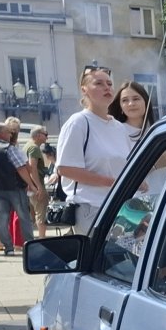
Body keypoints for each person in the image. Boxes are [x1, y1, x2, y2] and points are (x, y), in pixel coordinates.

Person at [55, 65, 136, 234]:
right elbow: (65, 168)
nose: (107, 87)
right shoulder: (78, 122)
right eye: (99, 83)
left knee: (127, 259)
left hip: (123, 210)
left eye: (109, 83)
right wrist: (113, 183)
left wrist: (136, 180)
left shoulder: (119, 128)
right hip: (91, 209)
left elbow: (127, 165)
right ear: (84, 90)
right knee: (101, 259)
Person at [0, 122, 35, 254]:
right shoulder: (9, 148)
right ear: (0, 134)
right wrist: (31, 184)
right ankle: (30, 245)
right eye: (8, 132)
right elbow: (21, 168)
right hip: (15, 188)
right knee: (24, 217)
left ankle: (8, 247)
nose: (11, 134)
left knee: (2, 218)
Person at [110, 79, 155, 149]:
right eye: (125, 100)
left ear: (146, 101)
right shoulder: (116, 131)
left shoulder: (155, 132)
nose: (131, 104)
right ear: (120, 106)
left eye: (136, 99)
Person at [25, 126, 52, 237]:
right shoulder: (34, 148)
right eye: (45, 134)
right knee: (41, 215)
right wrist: (39, 187)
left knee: (32, 215)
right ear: (38, 135)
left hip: (28, 186)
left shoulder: (27, 146)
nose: (47, 136)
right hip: (35, 186)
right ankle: (42, 240)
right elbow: (33, 168)